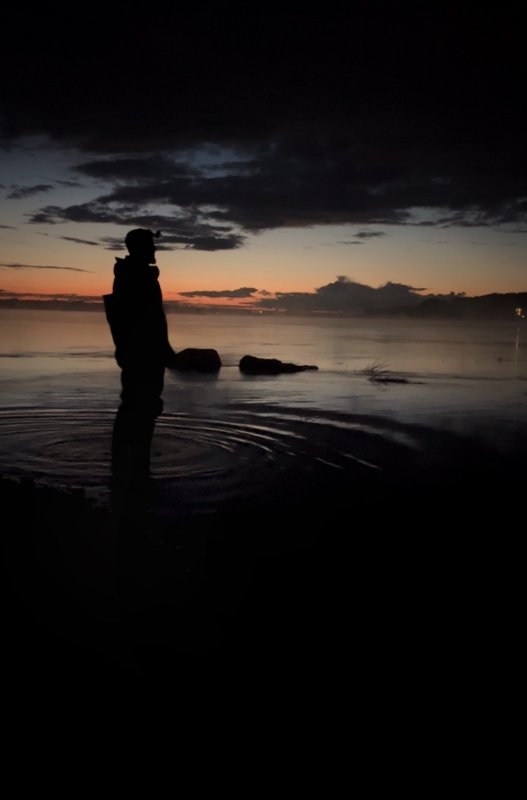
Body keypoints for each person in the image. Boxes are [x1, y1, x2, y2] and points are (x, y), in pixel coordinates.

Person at [104, 228, 176, 479]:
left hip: (141, 352)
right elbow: (148, 320)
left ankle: (128, 461)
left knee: (137, 404)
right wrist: (163, 350)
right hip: (142, 354)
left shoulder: (135, 274)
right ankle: (134, 464)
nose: (155, 250)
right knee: (141, 405)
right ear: (140, 248)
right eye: (151, 245)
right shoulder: (137, 276)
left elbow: (152, 319)